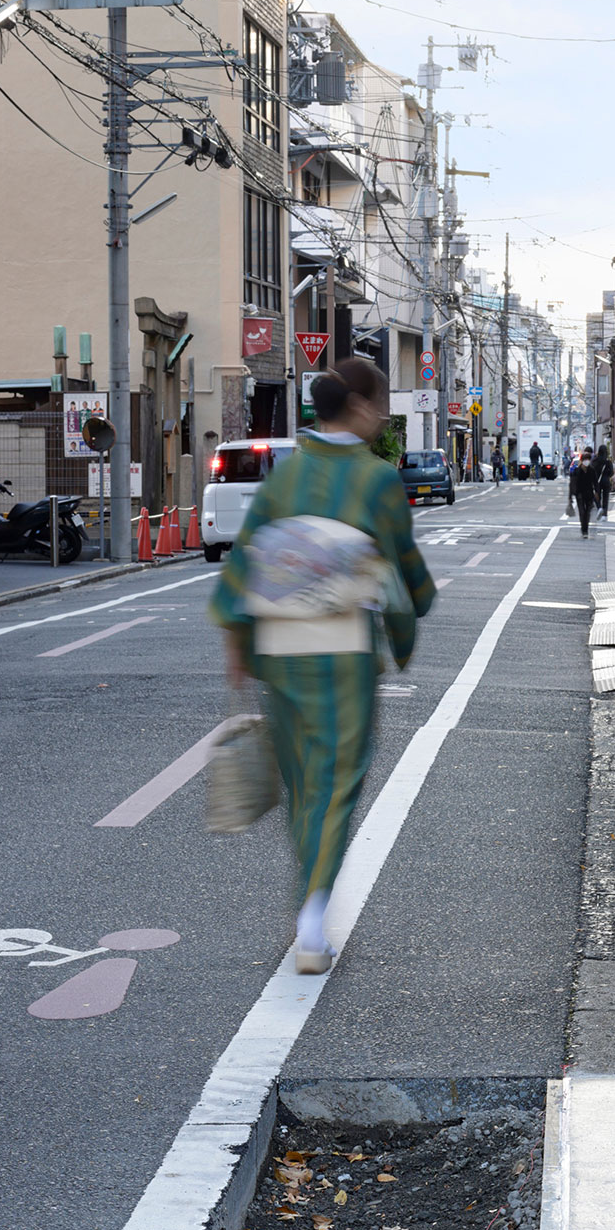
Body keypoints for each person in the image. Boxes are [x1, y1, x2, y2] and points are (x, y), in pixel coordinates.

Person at [211, 359, 436, 974]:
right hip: (341, 651)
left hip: (280, 649)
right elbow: (402, 565)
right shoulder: (376, 479)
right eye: (380, 405)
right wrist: (406, 626)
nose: (383, 417)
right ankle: (311, 922)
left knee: (302, 781)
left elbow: (246, 557)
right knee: (335, 782)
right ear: (358, 408)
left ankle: (308, 904)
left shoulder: (286, 475)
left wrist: (237, 637)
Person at [570, 446, 597, 537]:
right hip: (580, 494)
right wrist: (571, 494)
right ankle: (584, 530)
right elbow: (573, 483)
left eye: (588, 459)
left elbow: (595, 482)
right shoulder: (577, 470)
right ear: (582, 460)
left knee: (587, 512)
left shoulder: (592, 470)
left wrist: (597, 492)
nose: (587, 461)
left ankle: (585, 528)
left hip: (589, 494)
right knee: (582, 511)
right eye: (585, 459)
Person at [594, 443, 614, 519]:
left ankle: (599, 508)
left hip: (597, 482)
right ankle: (604, 515)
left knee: (596, 496)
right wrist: (607, 475)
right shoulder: (608, 462)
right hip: (606, 481)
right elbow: (611, 473)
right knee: (605, 498)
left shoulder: (595, 461)